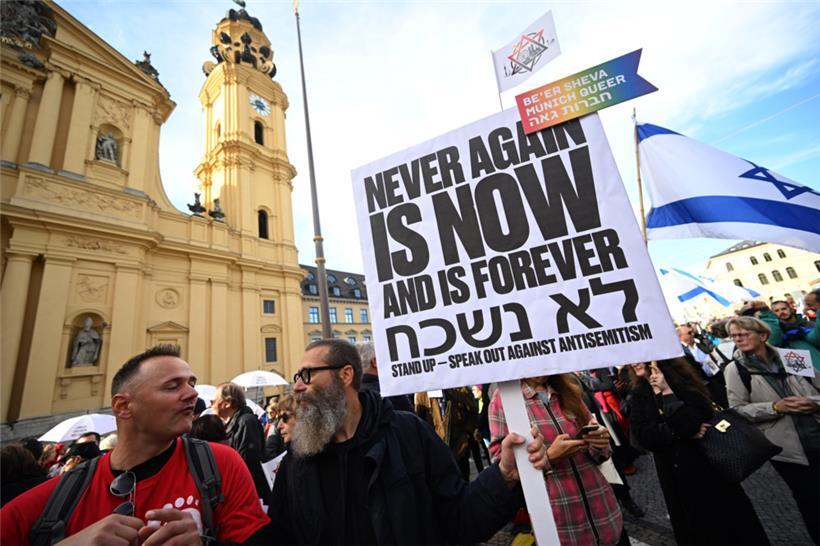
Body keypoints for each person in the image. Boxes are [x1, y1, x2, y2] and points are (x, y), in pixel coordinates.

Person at [268, 339, 549, 545]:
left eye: (307, 374)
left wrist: (504, 476)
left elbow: (459, 520)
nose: (297, 386)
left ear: (345, 375)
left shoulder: (407, 434)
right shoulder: (298, 457)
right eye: (297, 377)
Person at [0, 344, 271, 545]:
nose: (191, 394)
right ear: (123, 406)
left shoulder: (221, 465)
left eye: (191, 383)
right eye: (172, 386)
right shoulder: (50, 501)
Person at [629, 358, 769, 545]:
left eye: (641, 358)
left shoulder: (684, 385)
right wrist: (676, 433)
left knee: (733, 528)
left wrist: (667, 392)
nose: (635, 363)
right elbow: (645, 437)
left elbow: (689, 424)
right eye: (633, 359)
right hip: (675, 476)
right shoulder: (638, 394)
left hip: (709, 467)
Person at [489, 374, 624, 546]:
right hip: (560, 517)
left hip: (602, 505)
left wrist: (600, 442)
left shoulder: (566, 389)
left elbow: (598, 448)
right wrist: (549, 458)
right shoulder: (504, 399)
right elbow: (502, 465)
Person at [725, 316, 820, 543]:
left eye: (744, 333)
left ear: (763, 335)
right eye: (734, 335)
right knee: (812, 503)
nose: (738, 338)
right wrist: (775, 407)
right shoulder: (735, 369)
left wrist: (814, 403)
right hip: (788, 451)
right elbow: (737, 410)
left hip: (816, 434)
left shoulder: (790, 356)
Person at [212, 382, 269, 499]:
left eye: (213, 401)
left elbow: (247, 462)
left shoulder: (246, 422)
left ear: (227, 403)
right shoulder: (234, 423)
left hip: (250, 493)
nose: (211, 405)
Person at [760, 299, 820, 373]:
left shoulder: (808, 325)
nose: (781, 312)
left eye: (784, 309)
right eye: (776, 311)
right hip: (801, 371)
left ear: (791, 309)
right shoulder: (778, 332)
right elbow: (774, 341)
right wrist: (765, 311)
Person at [357, 342, 414, 412]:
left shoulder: (351, 392)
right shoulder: (391, 390)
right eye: (385, 358)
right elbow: (411, 420)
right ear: (375, 362)